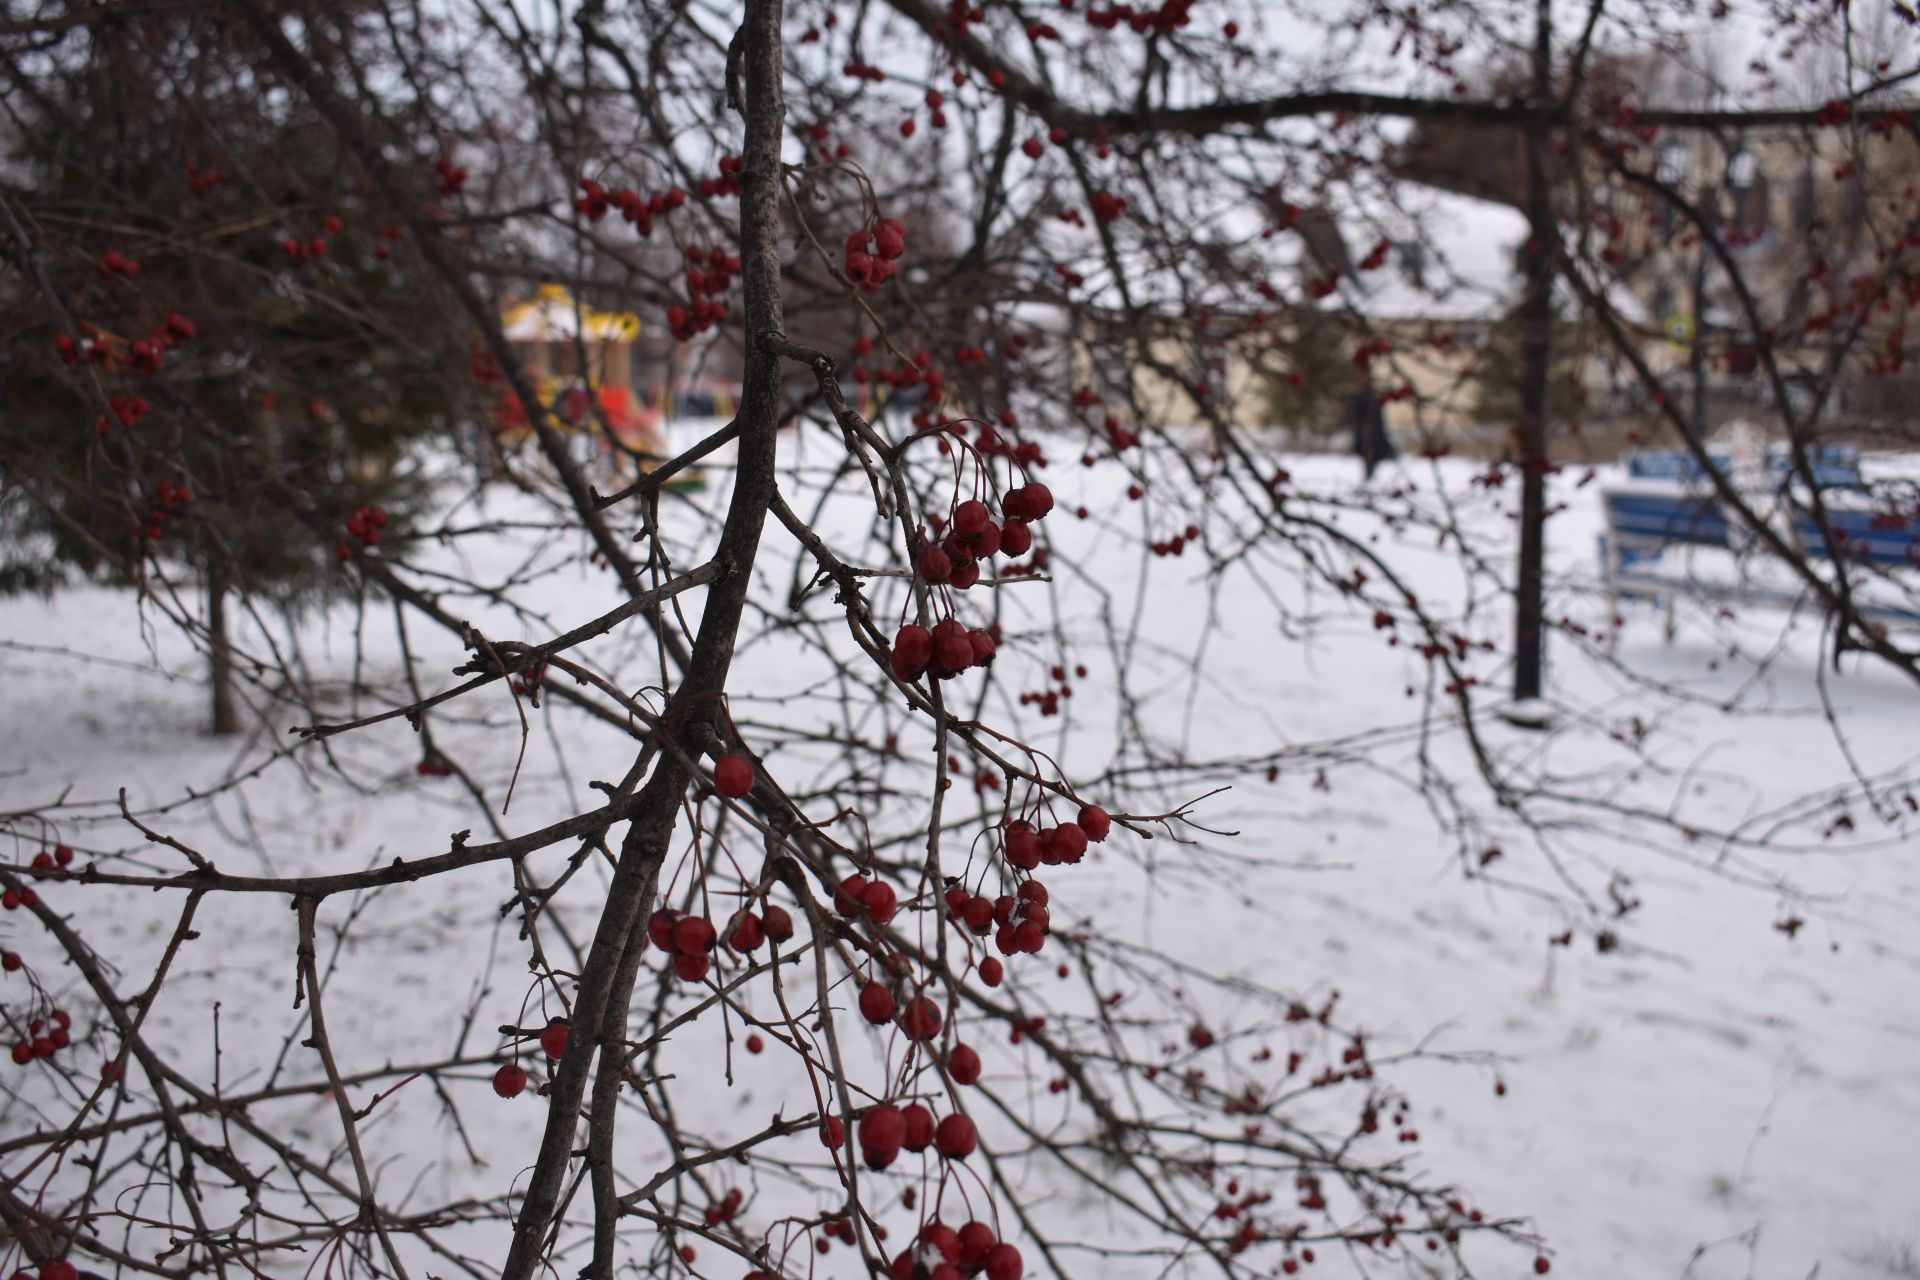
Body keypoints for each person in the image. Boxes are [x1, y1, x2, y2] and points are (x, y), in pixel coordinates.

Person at [1350, 380, 1395, 481]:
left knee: (1374, 454)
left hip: (1374, 434)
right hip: (1367, 435)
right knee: (1369, 454)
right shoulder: (1362, 398)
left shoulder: (1374, 398)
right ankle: (1368, 476)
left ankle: (1370, 476)